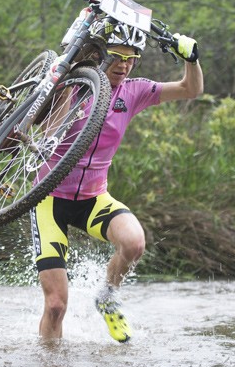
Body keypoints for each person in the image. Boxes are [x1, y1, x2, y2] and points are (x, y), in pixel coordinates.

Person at [30, 18, 203, 342]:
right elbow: (45, 131)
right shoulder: (75, 84)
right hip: (50, 199)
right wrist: (65, 81)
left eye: (130, 58)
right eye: (116, 57)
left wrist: (190, 59)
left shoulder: (134, 91)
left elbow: (190, 89)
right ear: (99, 54)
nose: (123, 65)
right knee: (55, 305)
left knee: (134, 242)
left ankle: (108, 294)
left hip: (94, 198)